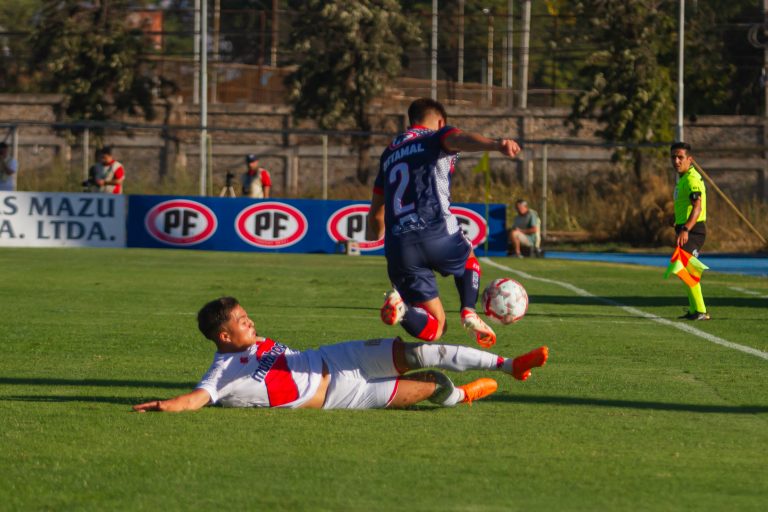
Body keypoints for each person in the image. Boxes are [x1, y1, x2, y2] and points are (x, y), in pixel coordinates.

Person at [133, 297, 549, 412]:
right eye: (242, 321)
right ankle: (463, 394)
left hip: (338, 357)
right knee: (434, 385)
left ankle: (510, 365)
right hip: (342, 397)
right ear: (223, 335)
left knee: (425, 352)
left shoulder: (255, 342)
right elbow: (197, 398)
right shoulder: (222, 371)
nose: (250, 322)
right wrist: (166, 405)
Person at [366, 98, 522, 348]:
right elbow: (461, 139)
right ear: (440, 122)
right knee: (469, 256)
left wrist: (377, 233)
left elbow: (376, 216)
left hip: (400, 247)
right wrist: (496, 144)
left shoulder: (389, 154)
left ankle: (402, 309)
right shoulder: (435, 137)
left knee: (436, 327)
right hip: (436, 232)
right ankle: (469, 310)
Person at [670, 142, 709, 321]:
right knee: (684, 269)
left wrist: (685, 229)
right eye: (673, 157)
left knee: (684, 269)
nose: (676, 161)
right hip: (685, 229)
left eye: (680, 157)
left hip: (693, 231)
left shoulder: (692, 179)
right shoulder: (684, 178)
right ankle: (695, 310)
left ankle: (700, 310)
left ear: (689, 159)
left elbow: (697, 207)